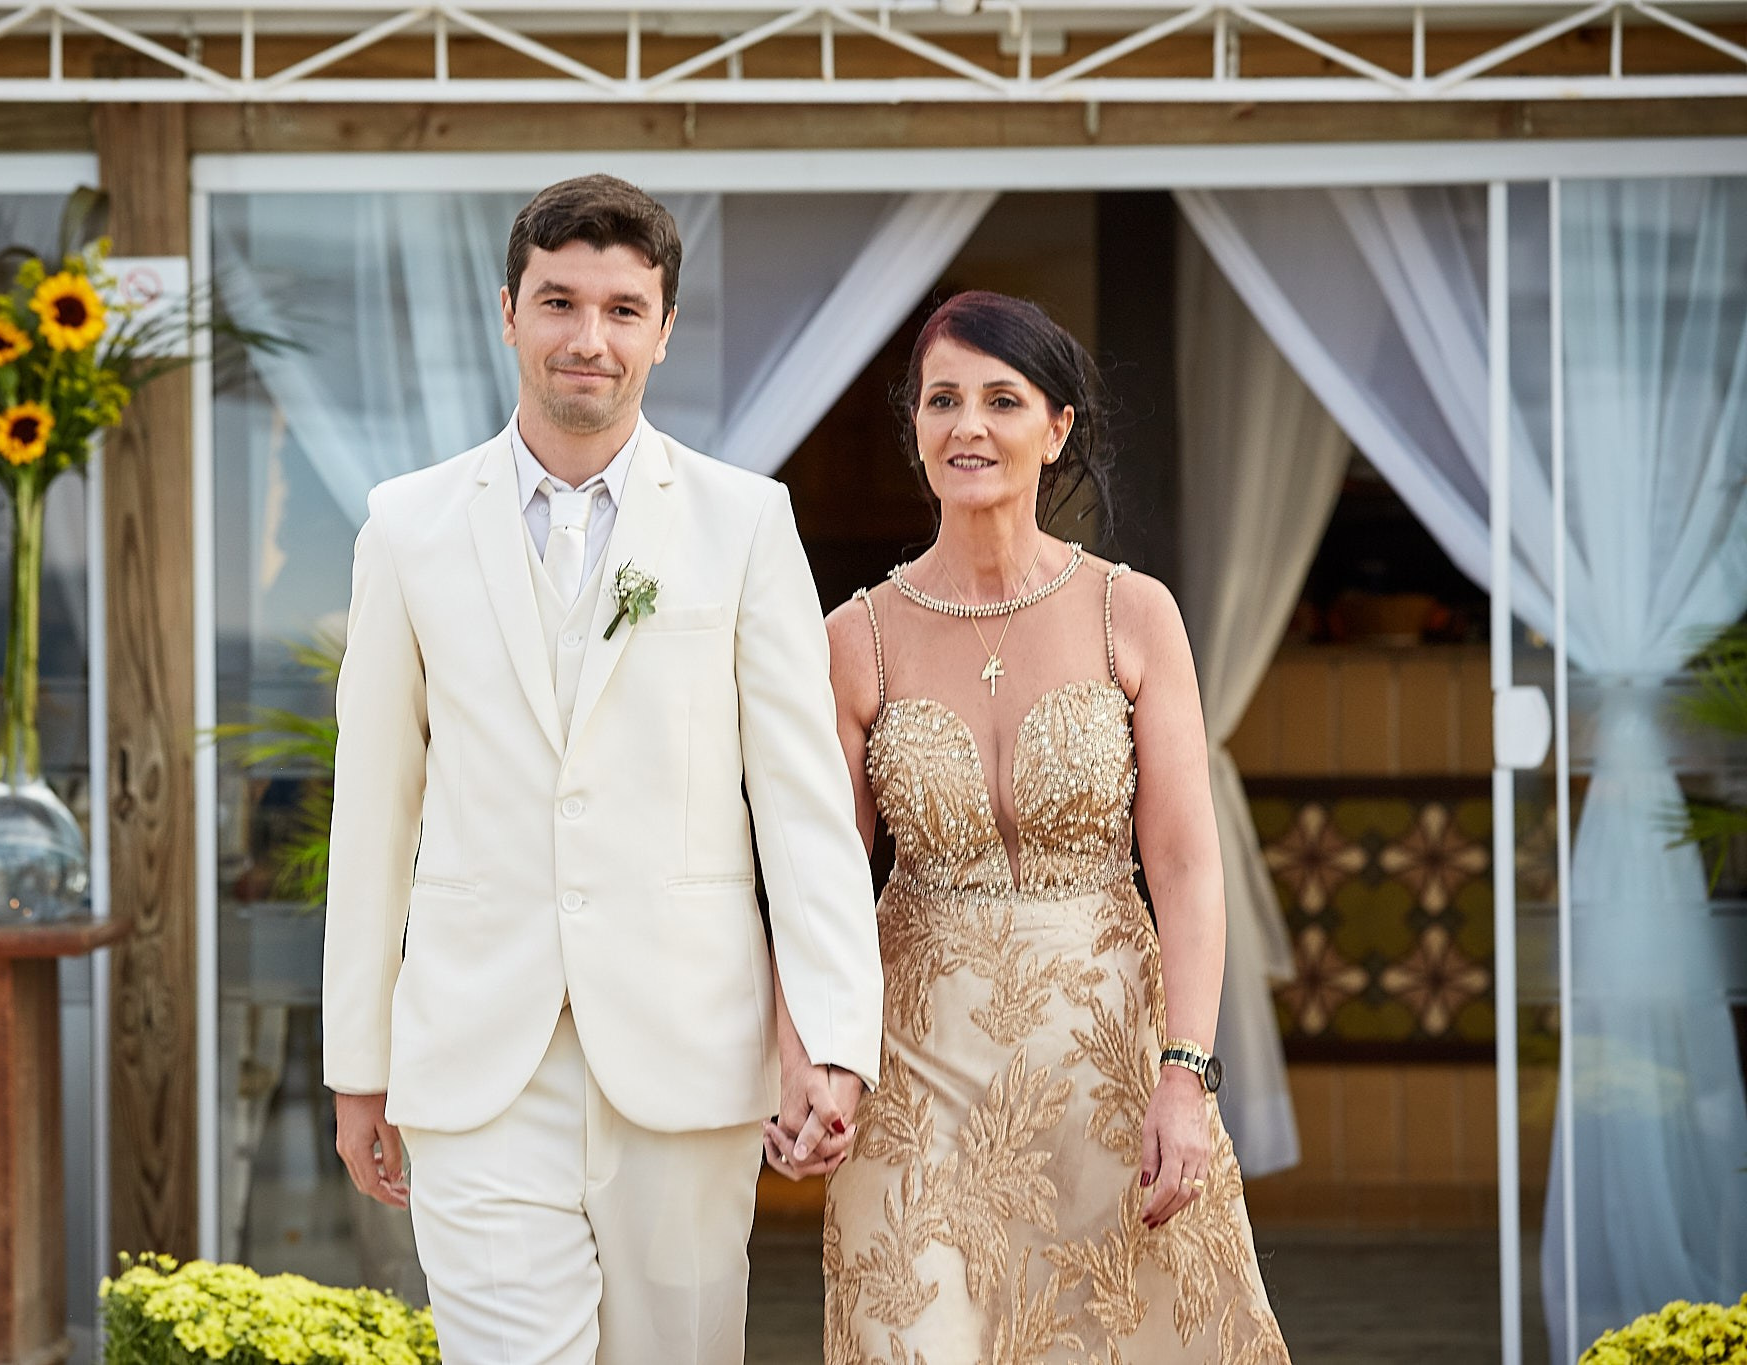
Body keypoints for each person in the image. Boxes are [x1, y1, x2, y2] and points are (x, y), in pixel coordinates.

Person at [320, 174, 884, 1365]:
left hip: (683, 1055)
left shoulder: (743, 523)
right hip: (476, 1064)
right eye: (560, 303)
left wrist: (828, 1033)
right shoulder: (407, 527)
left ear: (664, 329)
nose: (589, 339)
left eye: (623, 310)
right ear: (508, 312)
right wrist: (356, 1065)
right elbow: (372, 819)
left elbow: (802, 806)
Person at [774, 291, 1290, 1362]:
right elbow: (813, 879)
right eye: (941, 401)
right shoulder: (851, 638)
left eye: (1000, 399)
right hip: (914, 1080)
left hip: (1106, 1074)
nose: (967, 425)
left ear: (1054, 429)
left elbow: (1187, 867)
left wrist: (1184, 1075)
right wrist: (802, 1062)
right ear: (913, 430)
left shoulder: (1130, 613)